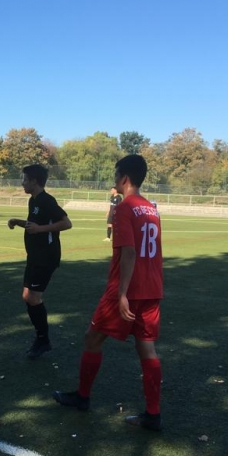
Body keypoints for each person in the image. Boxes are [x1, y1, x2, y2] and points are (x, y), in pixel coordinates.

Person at [53, 154, 164, 430]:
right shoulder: (151, 208)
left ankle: (82, 397)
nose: (114, 181)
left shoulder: (125, 207)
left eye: (116, 176)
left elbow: (128, 252)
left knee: (92, 338)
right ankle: (153, 415)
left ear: (124, 178)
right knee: (146, 348)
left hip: (127, 288)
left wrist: (123, 292)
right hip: (153, 288)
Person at [8, 164, 72, 359]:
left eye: (25, 179)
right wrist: (17, 222)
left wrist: (40, 229)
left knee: (33, 298)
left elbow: (66, 223)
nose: (22, 183)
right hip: (34, 256)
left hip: (46, 257)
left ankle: (43, 340)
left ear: (35, 181)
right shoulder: (33, 200)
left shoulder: (47, 200)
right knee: (27, 296)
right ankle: (41, 338)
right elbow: (33, 224)